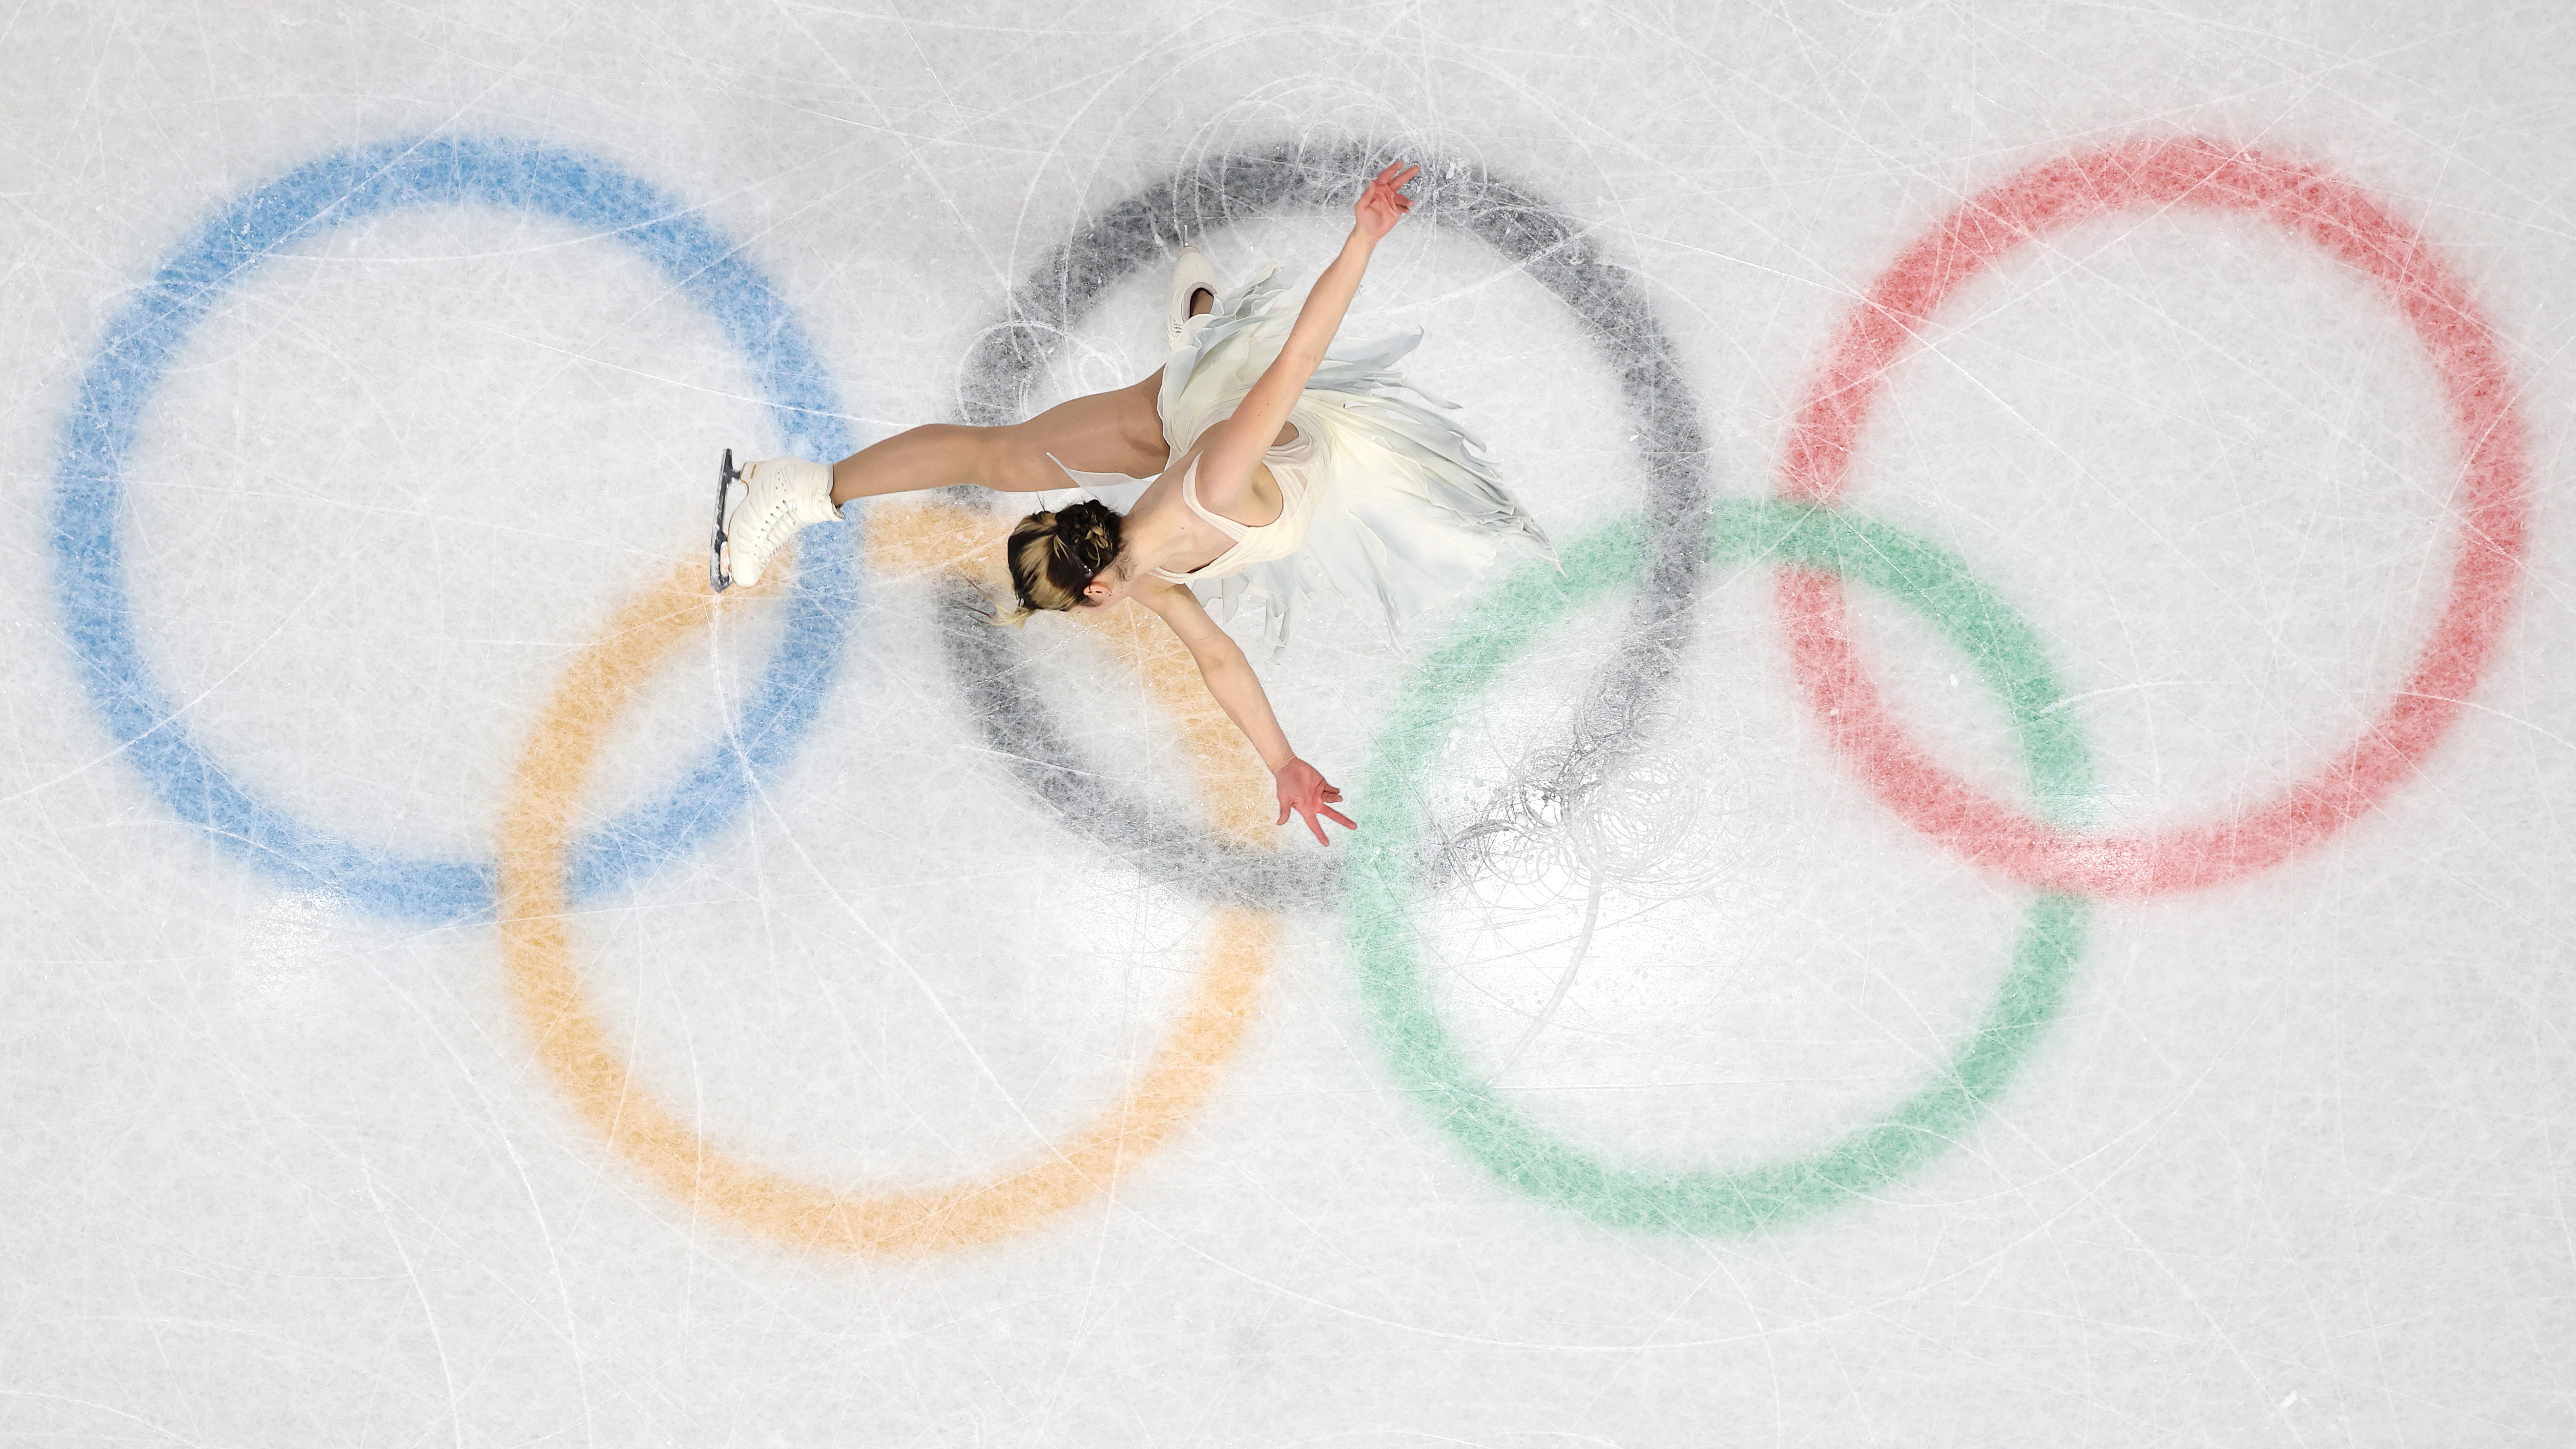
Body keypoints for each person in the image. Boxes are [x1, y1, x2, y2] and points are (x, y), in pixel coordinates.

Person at [715, 162, 1548, 845]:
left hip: (1229, 428)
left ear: (1100, 586)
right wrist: (1281, 761)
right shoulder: (1142, 570)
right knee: (1021, 446)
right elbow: (1214, 658)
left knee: (1164, 396)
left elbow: (1297, 358)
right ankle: (1196, 325)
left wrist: (1362, 240)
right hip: (1215, 436)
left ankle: (1198, 326)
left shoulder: (1212, 486)